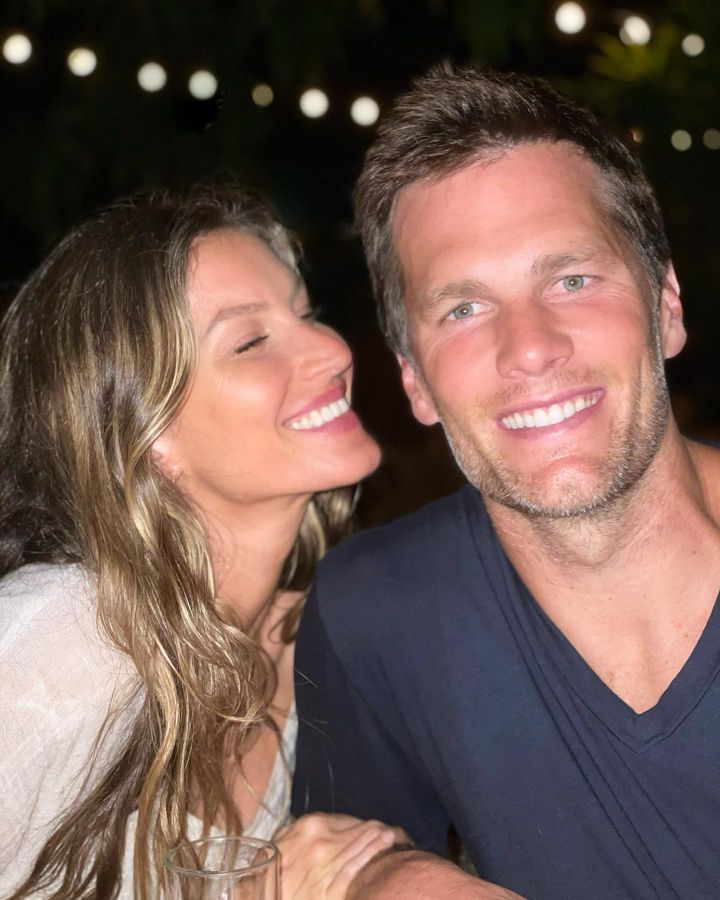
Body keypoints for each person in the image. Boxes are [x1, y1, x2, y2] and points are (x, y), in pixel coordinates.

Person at [291, 64, 720, 899]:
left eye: (571, 279)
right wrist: (392, 877)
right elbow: (330, 863)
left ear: (665, 303)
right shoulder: (377, 615)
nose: (529, 348)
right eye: (464, 309)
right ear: (414, 379)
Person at [0, 184, 406, 899]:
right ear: (146, 432)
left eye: (307, 313)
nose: (331, 350)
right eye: (250, 342)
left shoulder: (309, 641)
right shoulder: (70, 639)